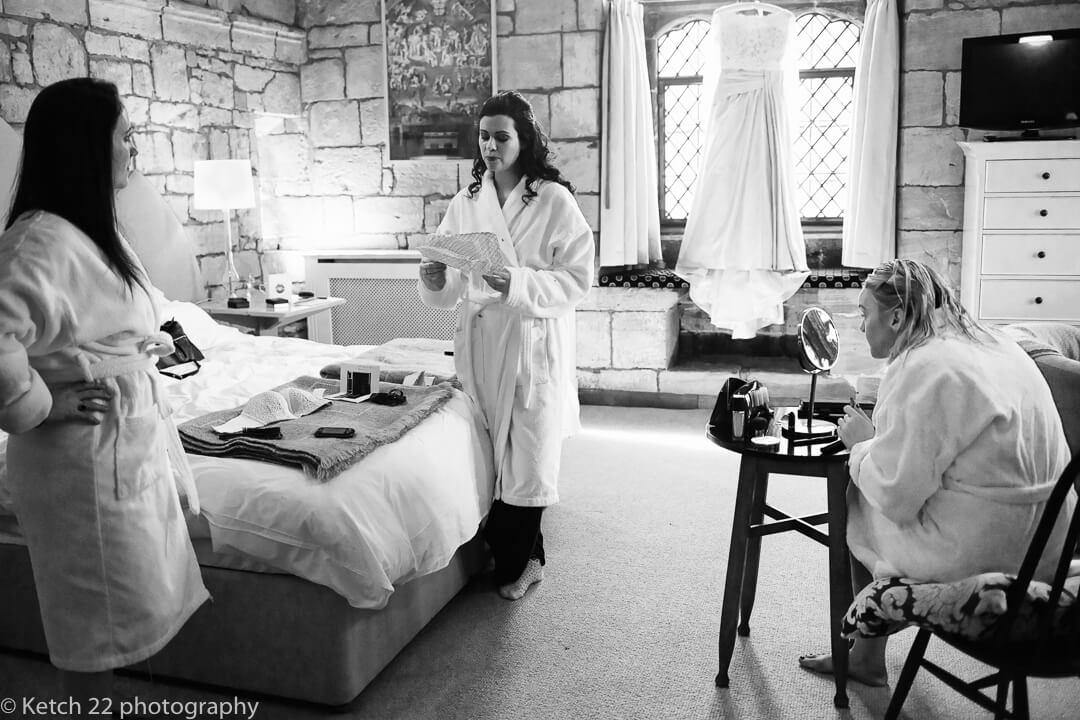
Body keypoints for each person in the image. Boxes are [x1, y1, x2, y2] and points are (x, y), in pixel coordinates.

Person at [0, 78, 208, 708]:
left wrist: (151, 346)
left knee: (129, 608)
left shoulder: (92, 231)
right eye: (127, 138)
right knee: (92, 623)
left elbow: (109, 320)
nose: (134, 153)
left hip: (123, 447)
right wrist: (43, 404)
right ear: (88, 146)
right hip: (78, 462)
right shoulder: (37, 241)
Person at [798, 258, 1073, 686]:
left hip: (993, 559)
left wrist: (863, 444)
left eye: (864, 313)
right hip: (1050, 545)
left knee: (856, 492)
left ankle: (864, 654)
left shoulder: (920, 366)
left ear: (896, 316)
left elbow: (897, 499)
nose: (860, 326)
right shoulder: (993, 343)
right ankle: (868, 654)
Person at [418, 90, 594, 601]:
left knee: (527, 454)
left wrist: (514, 284)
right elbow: (449, 280)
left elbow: (578, 279)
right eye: (484, 137)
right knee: (486, 448)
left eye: (502, 136)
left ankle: (525, 558)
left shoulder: (554, 200)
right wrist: (435, 276)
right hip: (481, 338)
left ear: (524, 139)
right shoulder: (467, 201)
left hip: (529, 337)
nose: (491, 146)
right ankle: (514, 547)